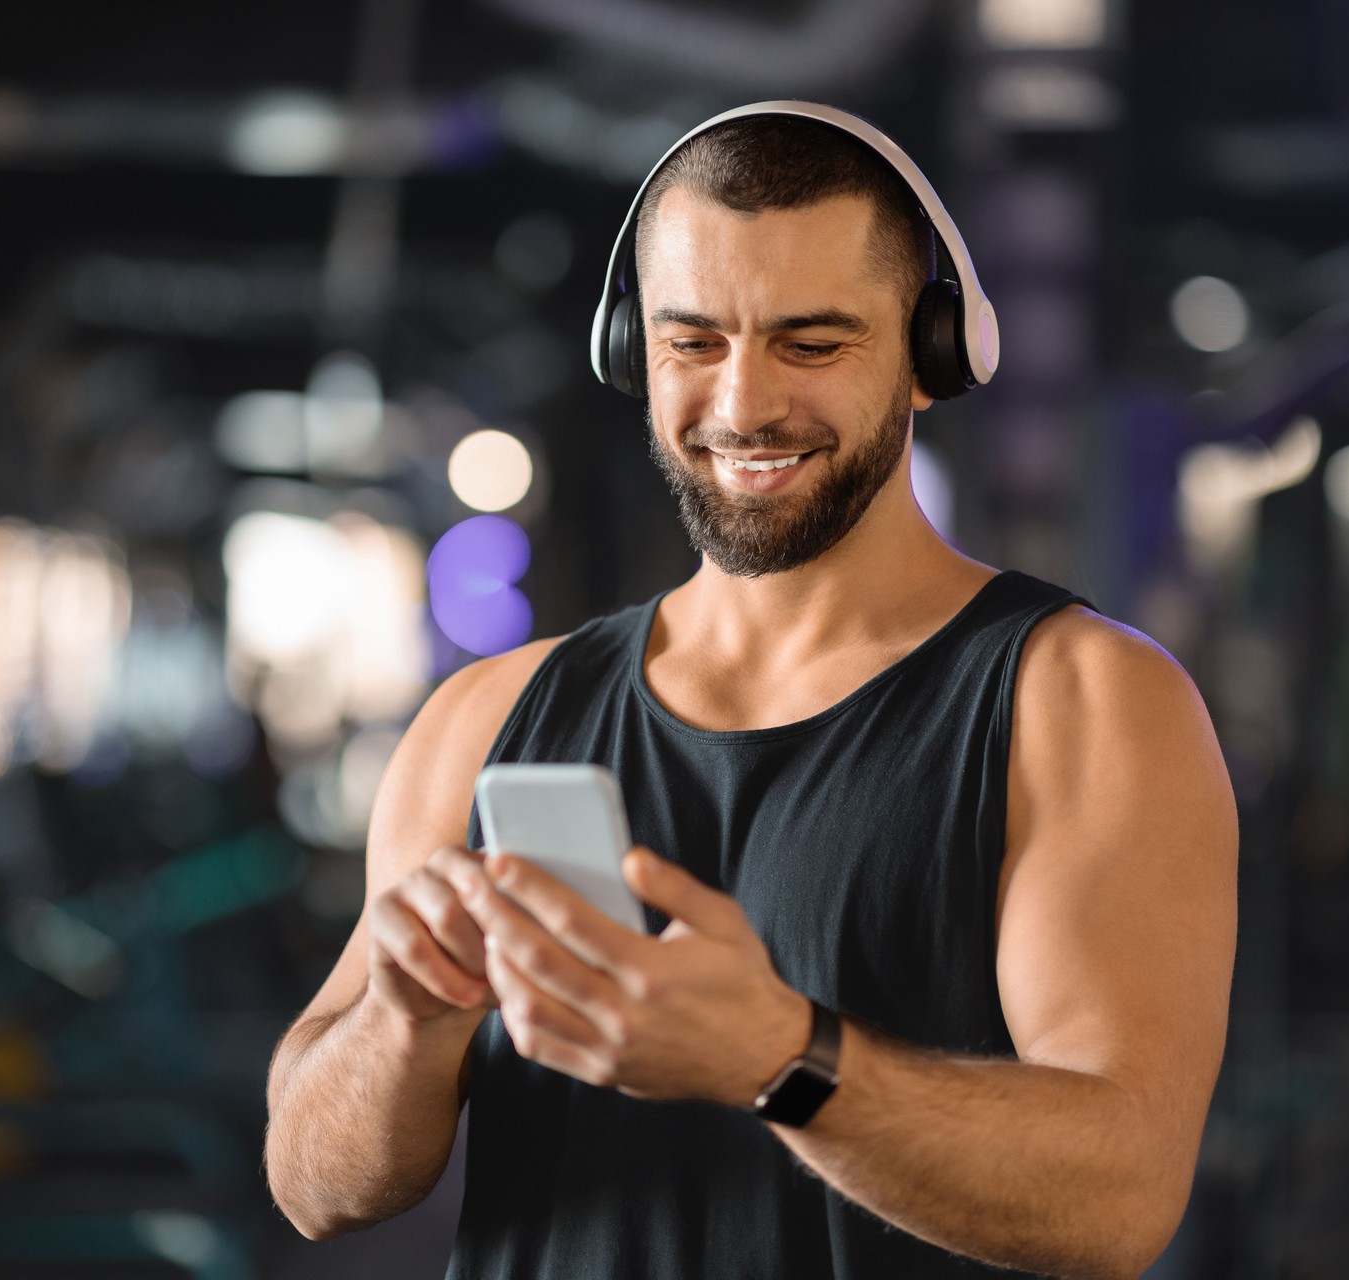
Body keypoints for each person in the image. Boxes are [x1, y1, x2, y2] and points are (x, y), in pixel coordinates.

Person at [263, 104, 1237, 1280]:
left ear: (931, 355)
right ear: (632, 350)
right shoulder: (485, 718)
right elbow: (311, 1184)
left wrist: (783, 1057)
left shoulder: (1080, 700)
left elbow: (1119, 1197)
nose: (741, 404)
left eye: (810, 343)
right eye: (692, 342)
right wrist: (405, 1020)